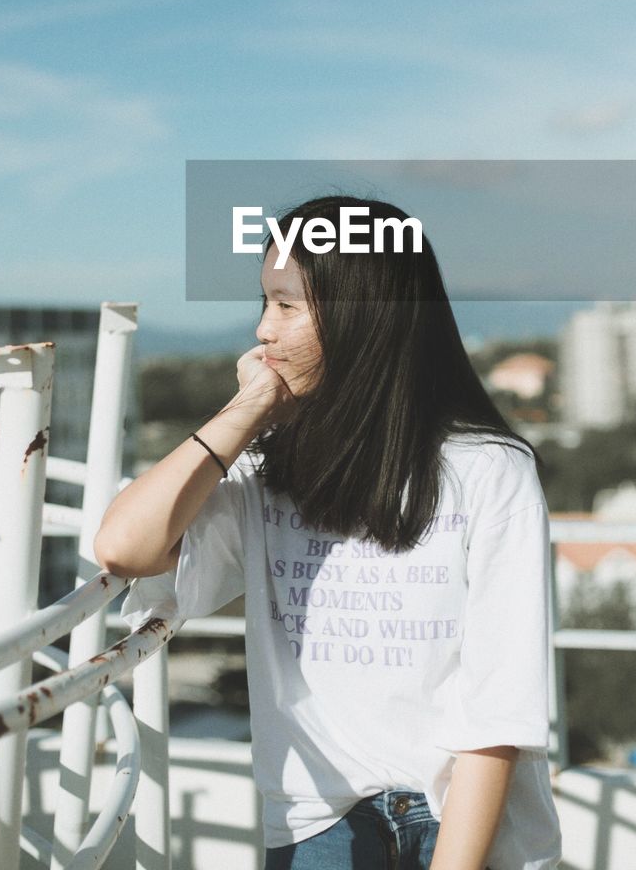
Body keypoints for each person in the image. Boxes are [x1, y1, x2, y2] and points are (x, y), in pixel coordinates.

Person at [95, 195, 563, 870]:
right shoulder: (266, 465)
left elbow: (498, 709)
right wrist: (250, 406)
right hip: (319, 817)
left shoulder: (489, 470)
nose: (262, 329)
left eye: (287, 305)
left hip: (464, 820)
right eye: (265, 302)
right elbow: (124, 548)